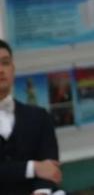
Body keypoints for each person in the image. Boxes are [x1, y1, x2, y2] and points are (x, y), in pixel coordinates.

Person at [0, 39, 64, 195]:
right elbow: (41, 167)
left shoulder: (39, 117)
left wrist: (41, 191)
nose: (0, 69)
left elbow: (50, 166)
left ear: (13, 69)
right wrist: (32, 168)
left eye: (5, 63)